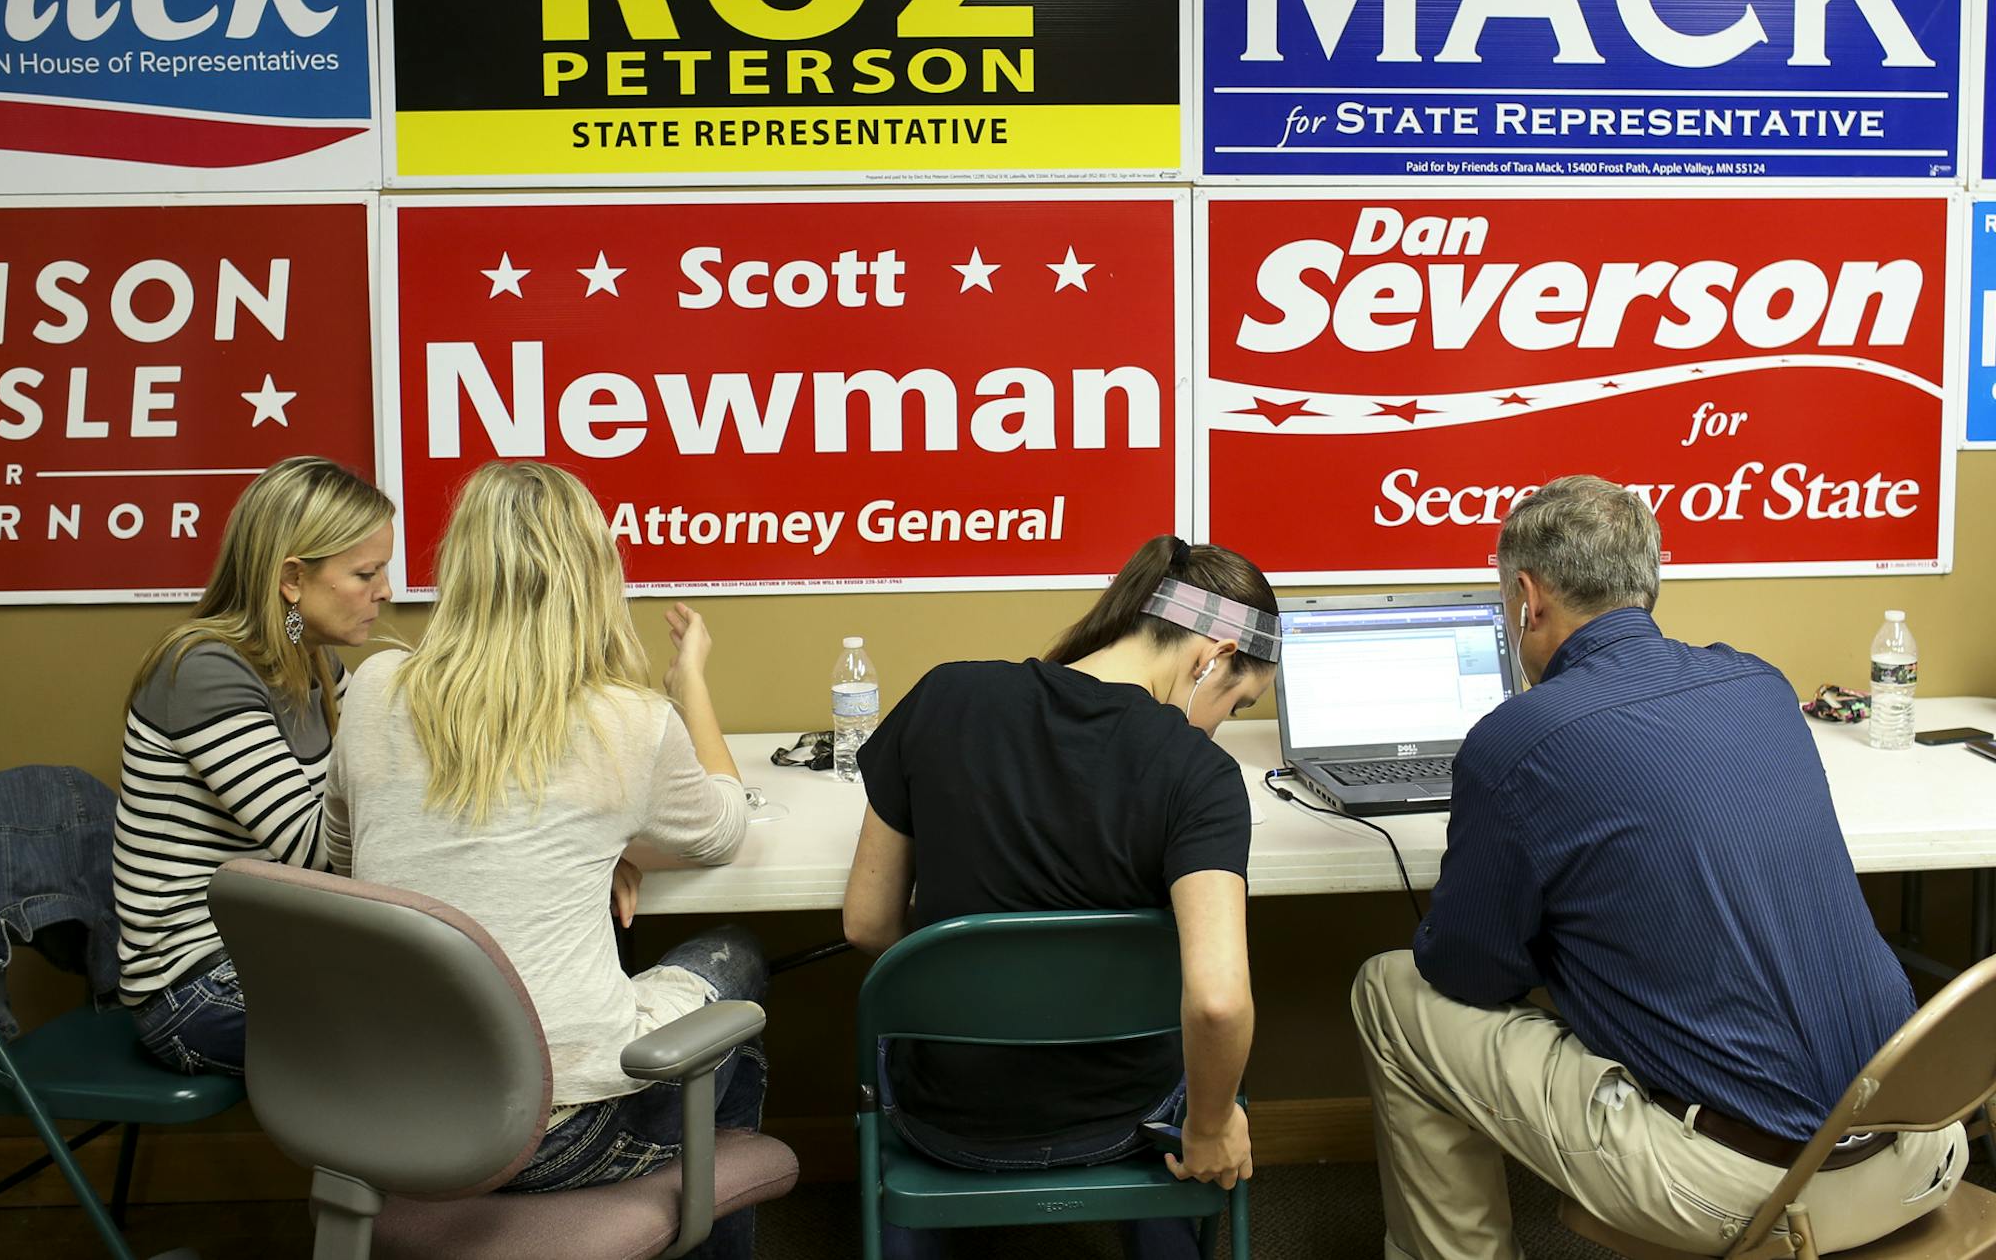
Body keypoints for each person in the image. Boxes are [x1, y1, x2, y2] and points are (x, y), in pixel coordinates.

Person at [1352, 474, 1965, 1260]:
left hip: (1755, 1195)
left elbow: (1470, 974)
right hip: (1922, 1152)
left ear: (1527, 598)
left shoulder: (1519, 739)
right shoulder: (1761, 682)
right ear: (1650, 578)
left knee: (1391, 990)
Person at [326, 460, 763, 1255]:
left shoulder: (375, 687)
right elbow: (722, 829)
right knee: (738, 962)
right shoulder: (627, 719)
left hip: (390, 1116)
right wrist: (688, 681)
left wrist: (594, 849)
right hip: (557, 1134)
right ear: (592, 575)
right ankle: (702, 1218)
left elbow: (349, 858)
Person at [842, 535, 1272, 1260]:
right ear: (1214, 656)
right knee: (1200, 1085)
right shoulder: (1198, 774)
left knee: (896, 1043)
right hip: (1121, 1117)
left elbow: (866, 922)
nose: (1219, 724)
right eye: (1236, 701)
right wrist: (1206, 1127)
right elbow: (1219, 1001)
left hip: (947, 1117)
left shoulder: (945, 695)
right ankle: (1162, 1217)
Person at [113, 456, 395, 1075]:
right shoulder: (205, 670)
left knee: (475, 1004)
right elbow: (316, 853)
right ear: (293, 578)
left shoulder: (313, 663)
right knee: (440, 1032)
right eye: (366, 573)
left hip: (275, 953)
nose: (385, 592)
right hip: (191, 989)